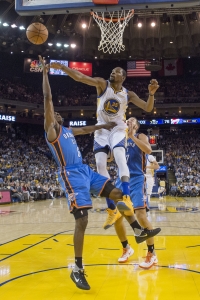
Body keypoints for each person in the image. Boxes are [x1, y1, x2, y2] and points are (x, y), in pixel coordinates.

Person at [39, 55, 131, 291]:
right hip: (70, 175)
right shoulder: (53, 130)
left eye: (58, 114)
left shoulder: (68, 130)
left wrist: (104, 126)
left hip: (85, 171)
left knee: (117, 193)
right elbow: (48, 98)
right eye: (54, 113)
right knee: (83, 220)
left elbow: (89, 128)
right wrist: (46, 73)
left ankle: (136, 229)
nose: (57, 114)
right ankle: (78, 269)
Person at [50, 61, 160, 228]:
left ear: (123, 77)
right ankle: (111, 210)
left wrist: (151, 94)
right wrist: (63, 68)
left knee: (119, 157)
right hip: (101, 129)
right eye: (112, 71)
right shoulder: (103, 84)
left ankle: (127, 198)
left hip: (117, 128)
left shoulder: (128, 94)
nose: (113, 73)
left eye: (116, 72)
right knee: (101, 165)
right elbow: (80, 77)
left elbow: (147, 107)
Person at [114, 117, 161, 269]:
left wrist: (132, 135)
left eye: (132, 120)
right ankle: (126, 248)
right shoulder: (120, 138)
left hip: (136, 179)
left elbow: (148, 150)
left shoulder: (140, 136)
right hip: (121, 179)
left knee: (141, 215)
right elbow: (110, 159)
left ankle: (152, 254)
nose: (129, 121)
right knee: (117, 217)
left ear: (136, 125)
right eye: (128, 120)